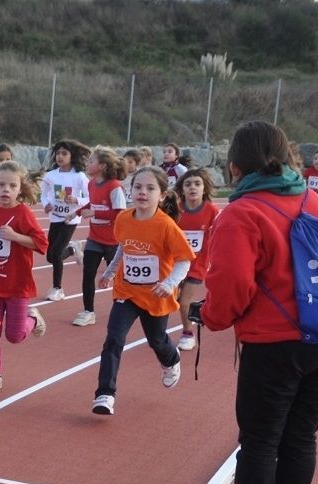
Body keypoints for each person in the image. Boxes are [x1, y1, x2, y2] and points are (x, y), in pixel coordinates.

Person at [197, 120, 318, 484]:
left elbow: (230, 285)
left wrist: (210, 317)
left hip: (278, 343)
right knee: (301, 436)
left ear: (235, 167)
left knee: (261, 440)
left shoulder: (243, 213)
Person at [90, 166, 192, 416]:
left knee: (156, 340)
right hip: (126, 292)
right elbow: (123, 248)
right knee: (113, 339)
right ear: (130, 191)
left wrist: (169, 284)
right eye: (137, 187)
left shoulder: (166, 226)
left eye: (150, 188)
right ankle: (105, 394)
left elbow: (184, 261)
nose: (142, 192)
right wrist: (110, 271)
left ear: (162, 195)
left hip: (156, 295)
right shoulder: (124, 218)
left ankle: (171, 360)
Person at [0, 160, 48, 394]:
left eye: (12, 186)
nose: (6, 190)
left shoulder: (22, 213)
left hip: (17, 285)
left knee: (15, 336)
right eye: (1, 184)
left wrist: (15, 236)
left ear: (20, 189)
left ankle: (33, 318)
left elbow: (41, 243)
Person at [75, 145, 127, 328]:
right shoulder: (91, 184)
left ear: (103, 166)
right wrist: (76, 212)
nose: (87, 164)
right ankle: (88, 311)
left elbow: (120, 213)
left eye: (91, 161)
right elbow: (92, 203)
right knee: (88, 274)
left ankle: (121, 310)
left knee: (118, 278)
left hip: (113, 241)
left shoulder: (115, 187)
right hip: (94, 238)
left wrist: (95, 214)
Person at [168, 168, 219, 352]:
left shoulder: (212, 211)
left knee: (184, 302)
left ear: (204, 188)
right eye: (188, 184)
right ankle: (198, 310)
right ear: (182, 189)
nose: (193, 187)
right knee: (172, 300)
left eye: (197, 184)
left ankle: (187, 333)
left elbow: (220, 235)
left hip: (198, 264)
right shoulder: (175, 209)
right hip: (174, 263)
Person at [40, 139, 91, 302]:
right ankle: (72, 249)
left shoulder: (79, 176)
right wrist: (46, 204)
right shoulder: (51, 175)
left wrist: (77, 200)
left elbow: (90, 197)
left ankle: (57, 288)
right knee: (50, 257)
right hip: (55, 218)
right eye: (58, 153)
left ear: (72, 156)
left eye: (64, 153)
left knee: (55, 253)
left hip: (71, 219)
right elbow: (43, 194)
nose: (60, 156)